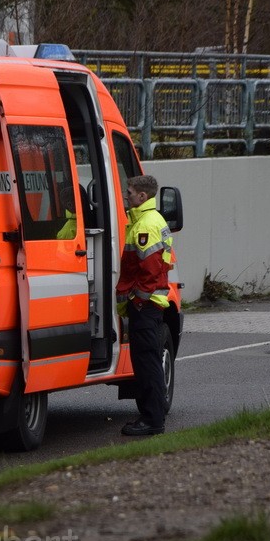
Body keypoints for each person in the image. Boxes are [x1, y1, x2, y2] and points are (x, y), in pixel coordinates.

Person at [116, 174, 173, 437]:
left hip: (145, 305)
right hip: (150, 304)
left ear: (142, 196)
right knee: (149, 361)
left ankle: (151, 420)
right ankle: (153, 415)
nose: (126, 196)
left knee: (146, 363)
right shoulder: (150, 220)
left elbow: (148, 271)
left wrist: (137, 301)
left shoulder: (145, 225)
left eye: (129, 193)